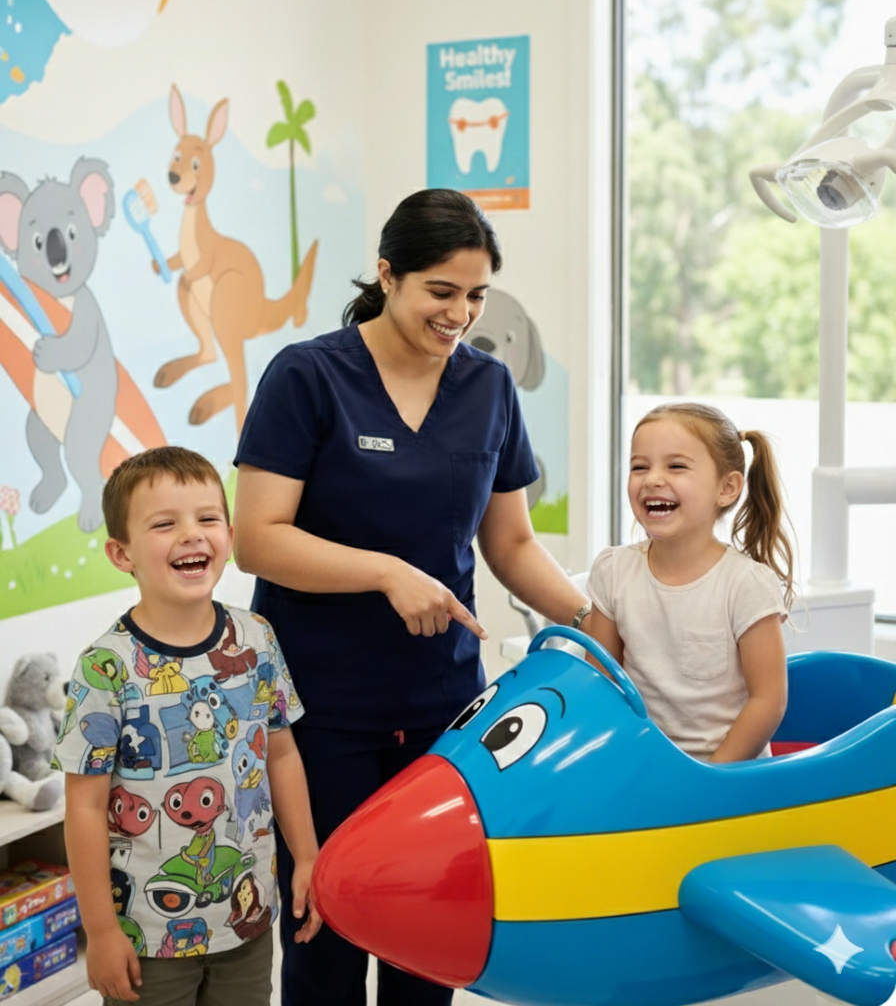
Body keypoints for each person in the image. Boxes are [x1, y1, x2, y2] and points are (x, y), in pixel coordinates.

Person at [232, 188, 591, 1006]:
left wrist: (592, 621)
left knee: (429, 932)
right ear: (388, 276)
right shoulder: (309, 376)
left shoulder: (491, 388)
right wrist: (387, 571)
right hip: (320, 708)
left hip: (442, 705)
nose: (460, 312)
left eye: (476, 295)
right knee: (326, 922)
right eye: (441, 291)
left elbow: (512, 545)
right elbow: (259, 537)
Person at [53, 446, 321, 1006]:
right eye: (164, 524)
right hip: (145, 933)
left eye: (207, 518)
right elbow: (82, 806)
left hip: (245, 914)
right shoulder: (106, 667)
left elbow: (281, 755)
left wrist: (309, 856)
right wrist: (100, 932)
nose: (192, 535)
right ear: (121, 553)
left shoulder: (257, 639)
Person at [583, 402, 793, 763]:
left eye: (676, 466)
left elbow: (769, 701)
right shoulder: (612, 571)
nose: (652, 479)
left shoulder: (745, 585)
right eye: (639, 467)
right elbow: (599, 684)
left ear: (727, 488)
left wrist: (710, 777)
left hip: (730, 781)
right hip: (645, 768)